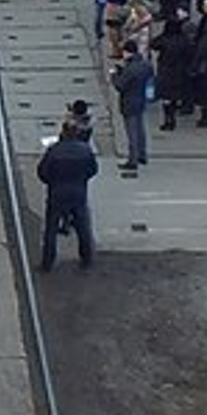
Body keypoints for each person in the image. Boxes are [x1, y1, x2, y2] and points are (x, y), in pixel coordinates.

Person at [36, 121, 97, 272]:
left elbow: (42, 172)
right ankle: (86, 258)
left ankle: (48, 262)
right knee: (83, 226)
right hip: (78, 191)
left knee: (51, 228)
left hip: (57, 192)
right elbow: (93, 169)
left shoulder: (54, 151)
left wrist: (52, 181)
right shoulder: (85, 150)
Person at [111, 40, 153, 172]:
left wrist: (115, 75)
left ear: (128, 52)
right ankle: (142, 154)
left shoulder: (130, 69)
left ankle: (132, 160)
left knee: (131, 132)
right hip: (141, 100)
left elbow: (119, 85)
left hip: (129, 101)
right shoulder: (145, 65)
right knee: (140, 129)